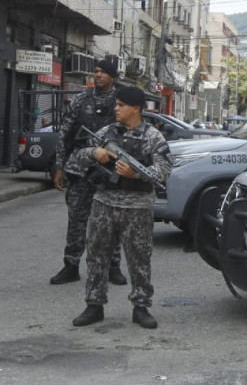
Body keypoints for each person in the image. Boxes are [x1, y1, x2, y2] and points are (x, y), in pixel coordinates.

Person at [72, 85, 173, 329]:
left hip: (136, 206)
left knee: (139, 258)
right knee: (97, 255)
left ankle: (141, 306)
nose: (115, 109)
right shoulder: (108, 132)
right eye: (115, 105)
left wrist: (135, 174)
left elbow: (164, 170)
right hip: (104, 202)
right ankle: (94, 304)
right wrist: (95, 152)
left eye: (121, 105)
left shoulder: (152, 137)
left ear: (136, 108)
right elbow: (79, 155)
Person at [49, 58, 126, 287]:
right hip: (80, 169)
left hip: (110, 169)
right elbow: (64, 133)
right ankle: (71, 265)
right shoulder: (81, 99)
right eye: (96, 71)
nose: (98, 75)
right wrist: (60, 165)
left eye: (103, 72)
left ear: (113, 76)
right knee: (76, 219)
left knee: (112, 220)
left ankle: (113, 266)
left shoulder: (121, 102)